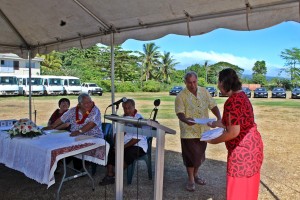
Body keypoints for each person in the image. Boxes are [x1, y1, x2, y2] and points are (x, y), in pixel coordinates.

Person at [207, 68, 264, 200]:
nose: (218, 86)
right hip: (253, 149)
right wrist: (216, 124)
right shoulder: (242, 96)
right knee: (249, 191)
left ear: (224, 83)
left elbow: (233, 132)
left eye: (219, 82)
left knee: (238, 193)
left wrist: (212, 140)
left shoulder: (232, 102)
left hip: (242, 154)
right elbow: (235, 122)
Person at [175, 71, 221, 192]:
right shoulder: (180, 96)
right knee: (190, 156)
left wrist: (219, 118)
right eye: (189, 82)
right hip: (188, 131)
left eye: (194, 82)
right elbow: (179, 113)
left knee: (199, 155)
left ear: (197, 81)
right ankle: (190, 179)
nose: (192, 85)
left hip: (203, 130)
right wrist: (185, 120)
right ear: (185, 82)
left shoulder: (204, 91)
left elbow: (213, 105)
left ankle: (196, 175)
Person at [44, 93, 103, 170]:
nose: (89, 104)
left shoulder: (95, 110)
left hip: (93, 137)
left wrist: (79, 131)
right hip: (75, 136)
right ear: (80, 104)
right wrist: (52, 126)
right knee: (59, 143)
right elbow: (62, 119)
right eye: (85, 103)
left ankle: (76, 164)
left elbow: (91, 124)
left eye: (90, 102)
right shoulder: (73, 111)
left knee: (72, 146)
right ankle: (58, 162)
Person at [99, 99, 148, 185]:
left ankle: (117, 174)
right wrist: (116, 145)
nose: (127, 110)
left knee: (129, 153)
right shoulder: (121, 118)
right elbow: (115, 135)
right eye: (125, 108)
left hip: (137, 145)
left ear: (134, 107)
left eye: (129, 108)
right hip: (123, 144)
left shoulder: (139, 119)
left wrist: (122, 147)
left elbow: (136, 139)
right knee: (110, 150)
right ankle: (110, 175)